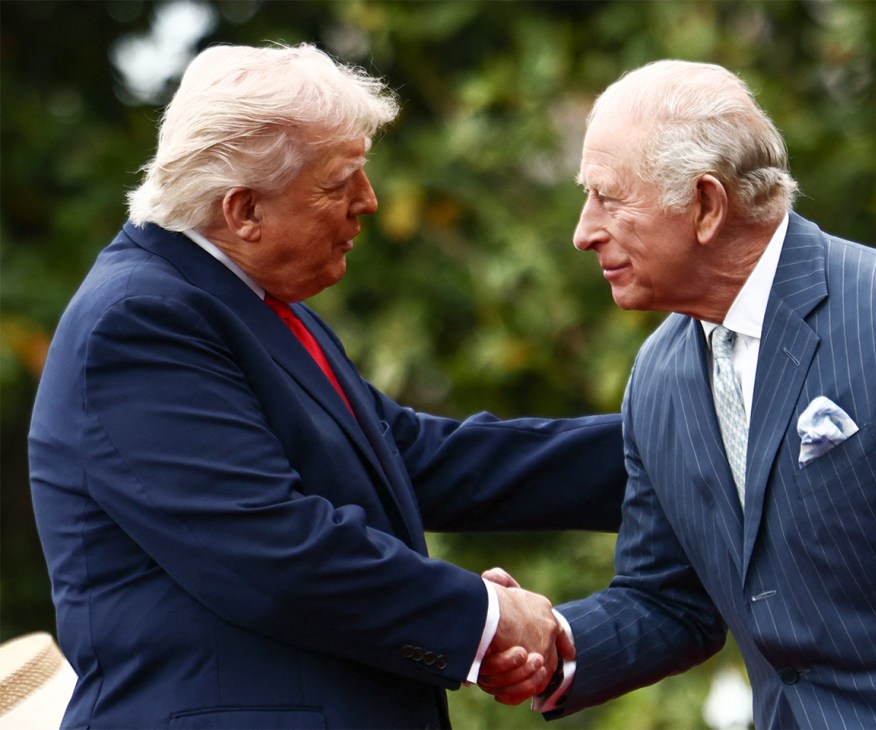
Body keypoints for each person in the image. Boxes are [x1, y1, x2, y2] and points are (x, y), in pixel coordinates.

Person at [27, 43, 626, 729]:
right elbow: (271, 553)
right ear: (243, 210)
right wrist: (484, 617)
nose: (369, 202)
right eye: (340, 182)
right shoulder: (139, 321)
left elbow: (417, 459)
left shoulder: (247, 307)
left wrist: (675, 445)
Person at [479, 60, 876, 728]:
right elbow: (668, 599)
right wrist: (551, 644)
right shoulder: (657, 375)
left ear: (707, 205)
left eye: (608, 198)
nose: (583, 231)